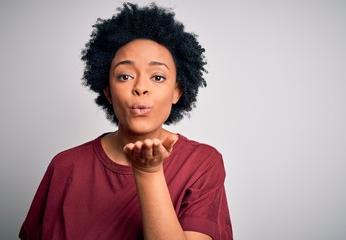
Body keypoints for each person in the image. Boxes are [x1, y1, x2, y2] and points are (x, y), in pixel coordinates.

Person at [19, 2, 233, 240]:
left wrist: (148, 172)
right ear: (108, 92)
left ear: (177, 92)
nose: (140, 87)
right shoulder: (64, 166)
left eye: (158, 77)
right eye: (125, 76)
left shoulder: (201, 164)